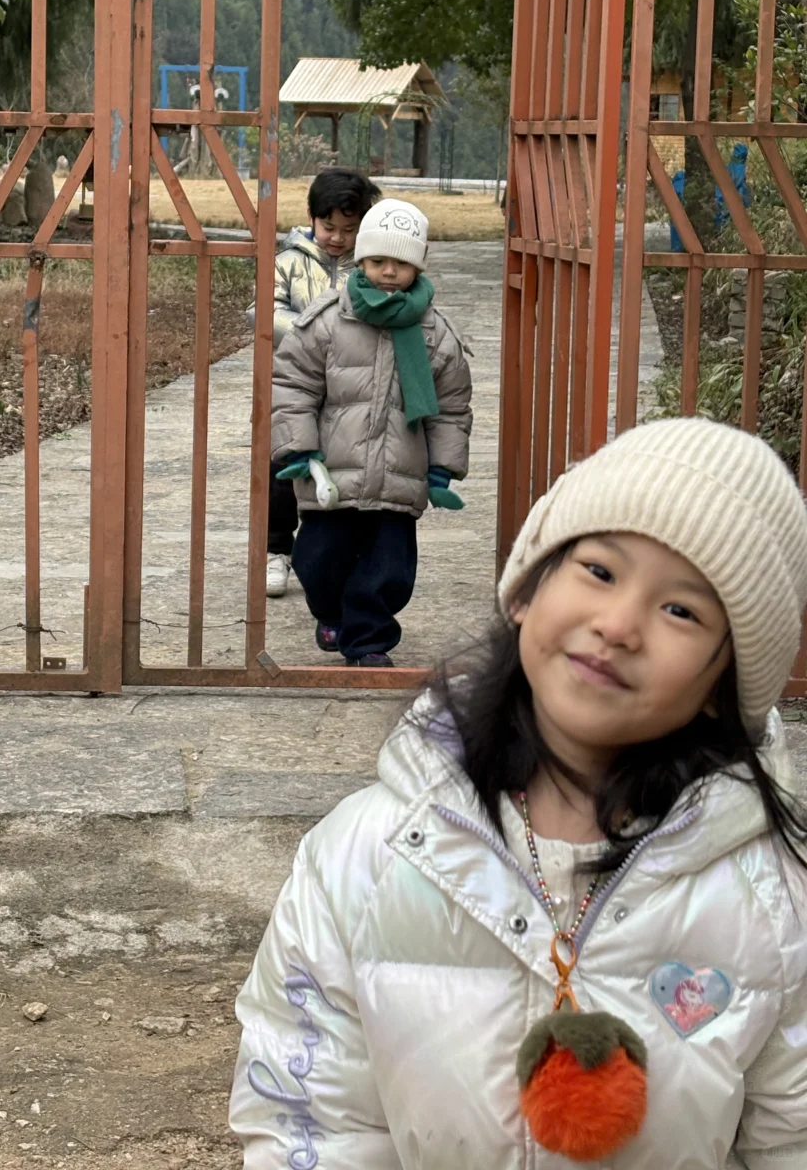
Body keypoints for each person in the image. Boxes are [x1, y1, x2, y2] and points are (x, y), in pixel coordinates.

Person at [229, 417, 807, 1169]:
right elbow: (311, 1122)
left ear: (723, 687)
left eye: (682, 611)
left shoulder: (776, 900)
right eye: (599, 570)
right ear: (528, 592)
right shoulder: (366, 858)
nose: (619, 624)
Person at [271, 198, 472, 667]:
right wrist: (298, 447)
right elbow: (294, 386)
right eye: (378, 260)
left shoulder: (435, 332)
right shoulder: (325, 322)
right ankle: (331, 613)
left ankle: (368, 641)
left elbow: (451, 405)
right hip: (331, 475)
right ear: (360, 260)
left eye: (400, 263)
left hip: (400, 472)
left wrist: (442, 465)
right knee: (317, 561)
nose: (387, 272)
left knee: (389, 570)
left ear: (417, 267)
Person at [249, 168, 381, 599]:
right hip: (294, 386)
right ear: (312, 218)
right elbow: (263, 311)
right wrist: (319, 338)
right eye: (329, 227)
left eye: (349, 229)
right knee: (284, 467)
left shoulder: (371, 268)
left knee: (343, 471)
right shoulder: (288, 261)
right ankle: (275, 551)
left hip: (350, 391)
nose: (338, 238)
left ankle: (337, 557)